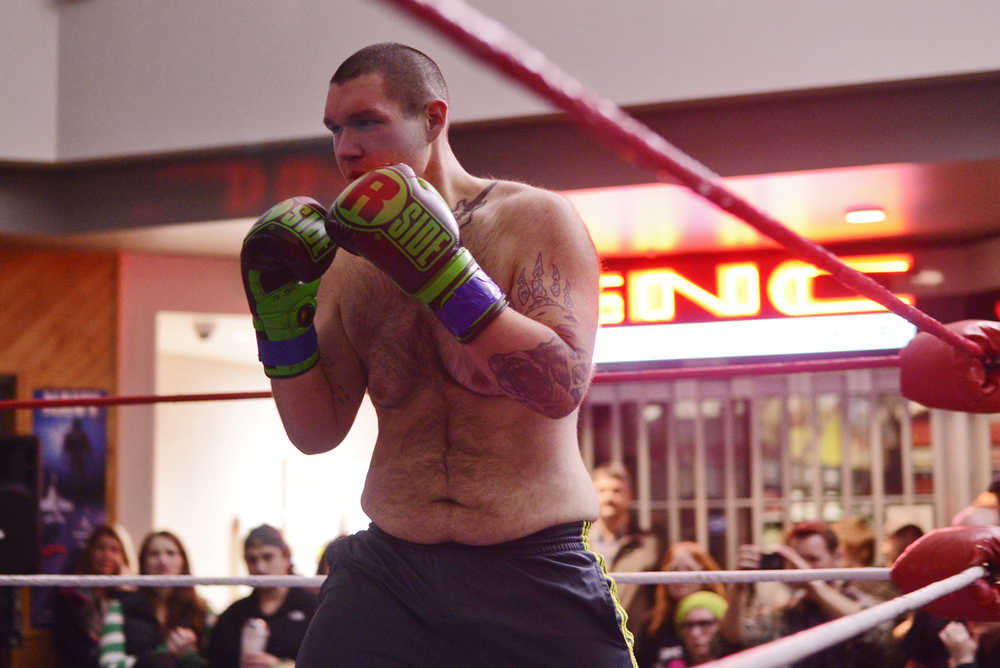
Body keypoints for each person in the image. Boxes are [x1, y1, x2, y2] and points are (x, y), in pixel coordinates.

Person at [240, 42, 633, 666]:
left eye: (367, 122)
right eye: (336, 129)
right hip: (391, 566)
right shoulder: (347, 267)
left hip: (529, 562)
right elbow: (315, 431)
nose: (346, 148)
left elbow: (559, 388)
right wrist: (277, 319)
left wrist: (445, 276)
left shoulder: (533, 220)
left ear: (433, 119)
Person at [721, 521, 894, 668]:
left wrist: (813, 585)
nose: (802, 568)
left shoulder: (863, 600)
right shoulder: (786, 614)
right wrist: (738, 590)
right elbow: (734, 639)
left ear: (837, 557)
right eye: (796, 560)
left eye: (813, 559)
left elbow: (875, 631)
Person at [206, 525, 317, 668]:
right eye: (252, 560)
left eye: (268, 557)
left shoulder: (313, 608)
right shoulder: (233, 614)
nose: (260, 567)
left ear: (286, 557)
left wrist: (283, 666)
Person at [101, 531, 212, 667]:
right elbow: (109, 664)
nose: (162, 561)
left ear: (183, 561)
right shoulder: (119, 606)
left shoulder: (202, 609)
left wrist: (188, 656)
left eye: (170, 553)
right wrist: (164, 653)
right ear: (143, 562)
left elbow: (218, 662)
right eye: (154, 554)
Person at [590, 463, 662, 640]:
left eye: (616, 491)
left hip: (634, 644)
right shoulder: (577, 542)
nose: (609, 497)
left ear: (630, 497)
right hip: (586, 640)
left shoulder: (649, 544)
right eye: (602, 490)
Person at [52, 524, 134, 667]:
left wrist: (125, 593)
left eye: (114, 550)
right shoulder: (69, 596)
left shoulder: (132, 597)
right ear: (90, 552)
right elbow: (66, 647)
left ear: (124, 557)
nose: (107, 556)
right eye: (100, 548)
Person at [636, 542, 726, 668]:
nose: (681, 576)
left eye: (689, 569)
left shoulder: (725, 615)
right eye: (674, 570)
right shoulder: (653, 624)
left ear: (705, 572)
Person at [662, 591, 731, 667]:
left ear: (721, 625)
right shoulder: (670, 664)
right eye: (688, 625)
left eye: (704, 624)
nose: (695, 633)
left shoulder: (741, 660)